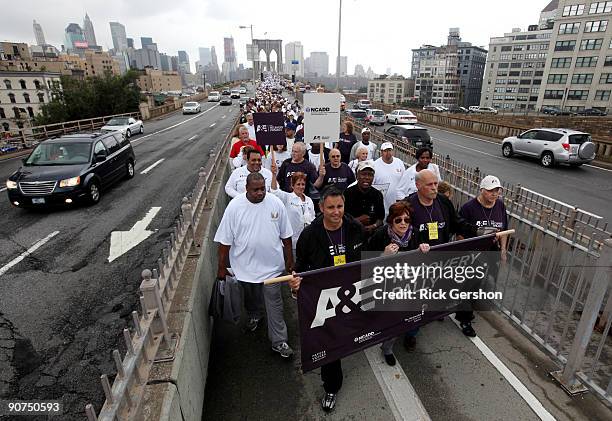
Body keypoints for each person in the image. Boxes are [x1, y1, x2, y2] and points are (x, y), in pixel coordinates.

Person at [289, 186, 367, 412]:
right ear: (321, 208)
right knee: (329, 342)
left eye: (340, 206)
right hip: (325, 300)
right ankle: (331, 386)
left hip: (352, 295)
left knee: (353, 333)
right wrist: (296, 286)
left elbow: (368, 258)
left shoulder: (355, 228)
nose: (336, 212)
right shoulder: (309, 236)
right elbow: (300, 270)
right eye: (330, 207)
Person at [214, 173, 295, 358]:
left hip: (272, 268)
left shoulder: (276, 203)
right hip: (245, 269)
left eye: (263, 189)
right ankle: (254, 314)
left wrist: (289, 260)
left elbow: (286, 236)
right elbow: (224, 242)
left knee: (274, 302)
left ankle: (279, 340)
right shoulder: (234, 207)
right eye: (255, 190)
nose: (260, 193)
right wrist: (221, 266)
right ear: (246, 189)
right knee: (251, 298)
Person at [402, 169, 476, 349]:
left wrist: (479, 232)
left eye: (436, 183)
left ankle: (435, 312)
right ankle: (411, 332)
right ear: (418, 185)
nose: (435, 188)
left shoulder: (443, 202)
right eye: (430, 184)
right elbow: (401, 233)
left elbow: (458, 222)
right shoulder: (408, 206)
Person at [365, 202, 430, 365]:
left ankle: (411, 336)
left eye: (407, 220)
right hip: (388, 286)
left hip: (410, 283)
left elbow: (424, 259)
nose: (403, 224)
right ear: (390, 221)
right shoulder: (380, 235)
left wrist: (425, 249)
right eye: (398, 220)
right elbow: (366, 265)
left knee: (415, 313)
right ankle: (387, 348)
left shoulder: (414, 234)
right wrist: (383, 255)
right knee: (393, 319)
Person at [457, 175, 508, 337]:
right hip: (473, 254)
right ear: (482, 190)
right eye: (491, 191)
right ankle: (464, 319)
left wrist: (503, 250)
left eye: (497, 191)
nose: (495, 194)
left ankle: (468, 308)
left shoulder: (500, 206)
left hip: (491, 252)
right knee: (469, 286)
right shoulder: (469, 208)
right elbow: (460, 235)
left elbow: (504, 230)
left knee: (482, 285)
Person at [270, 170, 316, 254]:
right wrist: (273, 175)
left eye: (303, 184)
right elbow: (274, 191)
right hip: (292, 243)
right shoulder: (287, 197)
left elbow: (313, 219)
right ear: (292, 185)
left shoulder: (309, 200)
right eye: (298, 184)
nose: (301, 187)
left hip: (308, 242)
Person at [343, 161, 384, 236]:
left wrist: (373, 226)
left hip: (372, 236)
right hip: (351, 235)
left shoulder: (377, 194)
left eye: (370, 175)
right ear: (357, 176)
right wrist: (357, 221)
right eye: (363, 174)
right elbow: (342, 218)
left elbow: (380, 219)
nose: (367, 177)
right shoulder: (347, 193)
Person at [373, 142, 406, 214]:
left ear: (393, 151)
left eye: (390, 150)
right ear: (381, 152)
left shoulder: (399, 162)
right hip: (382, 203)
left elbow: (404, 181)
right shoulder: (375, 165)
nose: (388, 153)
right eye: (385, 151)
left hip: (398, 202)